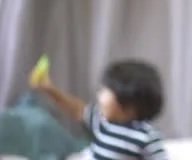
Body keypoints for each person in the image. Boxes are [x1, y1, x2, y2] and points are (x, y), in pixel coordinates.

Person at [31, 59, 168, 159]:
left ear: (129, 106)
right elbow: (76, 109)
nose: (98, 95)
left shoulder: (145, 136)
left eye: (105, 91)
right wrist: (49, 89)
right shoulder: (102, 121)